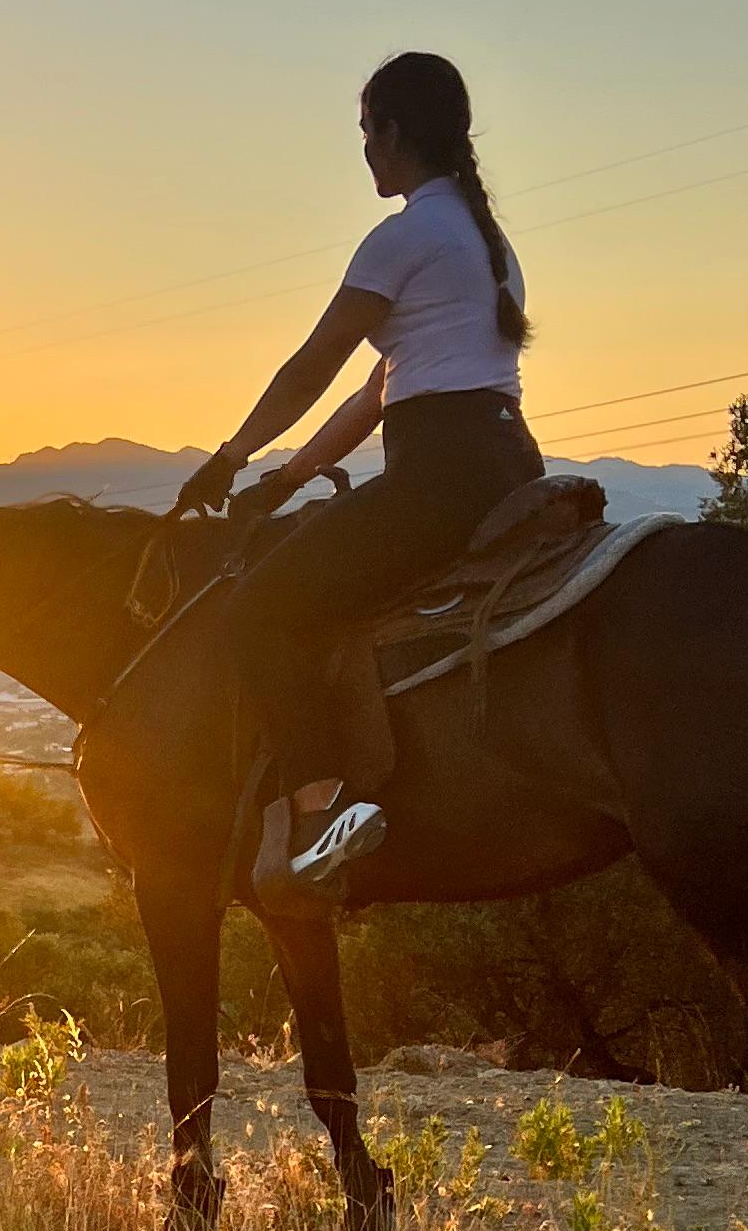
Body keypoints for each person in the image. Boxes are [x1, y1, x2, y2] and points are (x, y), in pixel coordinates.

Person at [173, 49, 543, 889]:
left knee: (259, 610)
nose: (365, 151)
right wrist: (287, 476)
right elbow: (382, 388)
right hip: (506, 456)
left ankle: (319, 813)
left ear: (396, 132)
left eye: (367, 131)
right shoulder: (485, 242)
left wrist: (229, 458)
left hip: (441, 476)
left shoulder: (403, 237)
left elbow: (315, 367)